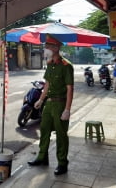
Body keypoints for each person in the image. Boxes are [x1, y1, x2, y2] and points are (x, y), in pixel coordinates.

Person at [27, 34, 74, 176]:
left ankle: (62, 163)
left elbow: (70, 88)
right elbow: (47, 84)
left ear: (56, 47)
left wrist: (67, 109)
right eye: (45, 46)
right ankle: (42, 157)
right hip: (48, 104)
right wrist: (41, 99)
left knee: (61, 134)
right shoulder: (49, 64)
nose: (45, 48)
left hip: (60, 104)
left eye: (48, 46)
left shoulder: (66, 66)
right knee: (44, 130)